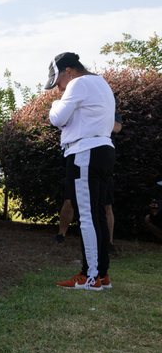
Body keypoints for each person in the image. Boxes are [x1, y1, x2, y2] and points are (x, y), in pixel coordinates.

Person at [47, 52, 116, 291]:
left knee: (87, 216)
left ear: (69, 71)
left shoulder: (78, 83)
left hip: (85, 152)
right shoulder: (101, 83)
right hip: (103, 149)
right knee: (96, 214)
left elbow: (57, 118)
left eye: (58, 82)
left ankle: (90, 276)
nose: (58, 88)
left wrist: (56, 104)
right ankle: (102, 274)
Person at [55, 112, 122, 247]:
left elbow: (117, 128)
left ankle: (108, 242)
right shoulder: (79, 108)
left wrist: (95, 122)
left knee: (105, 203)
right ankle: (61, 234)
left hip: (102, 160)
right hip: (77, 156)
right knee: (69, 200)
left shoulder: (110, 110)